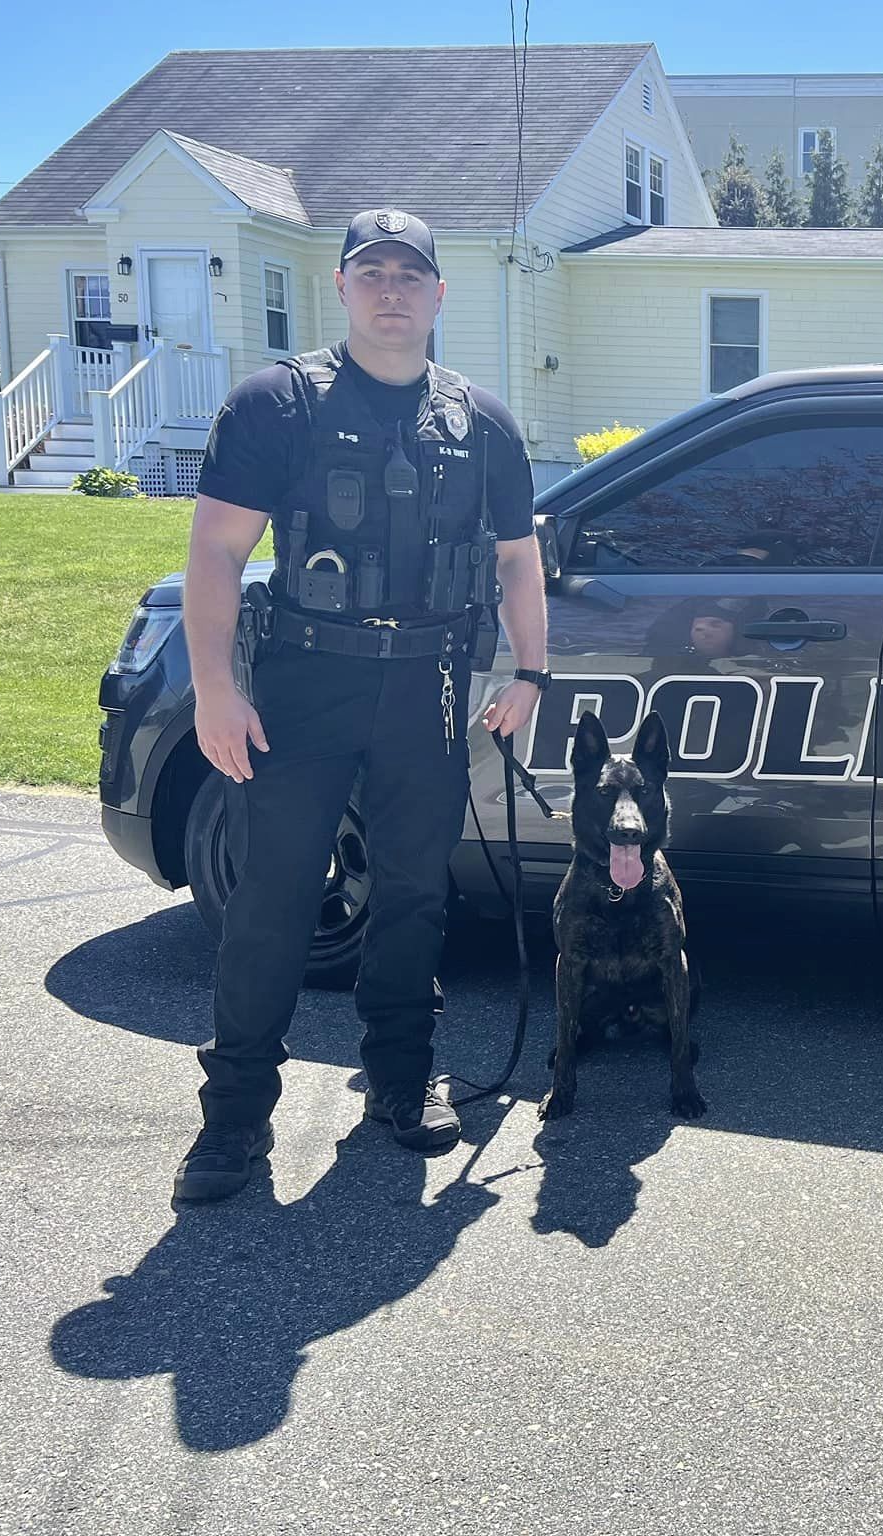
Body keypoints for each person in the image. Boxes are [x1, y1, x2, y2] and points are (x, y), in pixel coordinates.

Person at [174, 208, 552, 1202]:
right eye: (371, 271)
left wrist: (530, 674)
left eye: (410, 275)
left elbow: (518, 559)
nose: (392, 290)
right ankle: (231, 1124)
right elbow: (216, 550)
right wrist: (215, 688)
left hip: (425, 687)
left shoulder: (480, 423)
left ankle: (397, 1079)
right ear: (339, 286)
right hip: (300, 684)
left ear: (438, 294)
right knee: (272, 902)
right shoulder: (277, 405)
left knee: (415, 897)